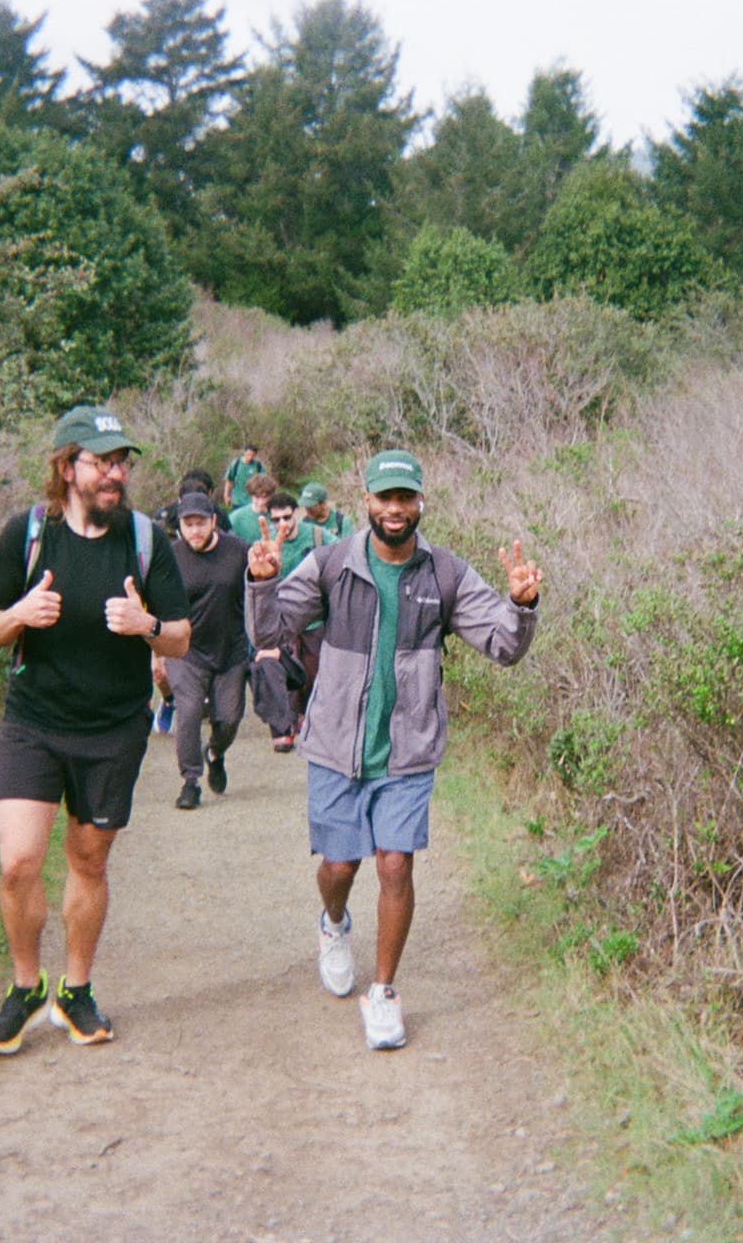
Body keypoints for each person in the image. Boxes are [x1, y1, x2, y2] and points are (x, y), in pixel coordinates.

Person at [248, 449, 542, 1050]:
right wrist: (262, 583)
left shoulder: (446, 575)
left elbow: (504, 646)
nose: (395, 509)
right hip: (336, 745)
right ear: (367, 502)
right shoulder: (331, 564)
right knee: (340, 866)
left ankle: (382, 992)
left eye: (405, 497)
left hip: (407, 750)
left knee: (394, 865)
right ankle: (334, 922)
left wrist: (522, 605)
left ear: (420, 502)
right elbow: (270, 633)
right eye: (385, 498)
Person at [0, 405, 192, 1054]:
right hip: (34, 721)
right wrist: (20, 613)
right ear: (68, 468)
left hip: (113, 728)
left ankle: (75, 991)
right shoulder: (26, 534)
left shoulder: (146, 541)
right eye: (102, 462)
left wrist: (146, 626)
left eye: (121, 462)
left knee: (88, 861)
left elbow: (181, 638)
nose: (115, 473)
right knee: (18, 864)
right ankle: (25, 988)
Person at [152, 490, 251, 810]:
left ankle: (215, 753)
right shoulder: (171, 557)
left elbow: (259, 588)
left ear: (213, 522)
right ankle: (190, 781)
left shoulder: (238, 551)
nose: (194, 531)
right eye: (187, 524)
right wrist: (157, 653)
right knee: (189, 712)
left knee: (230, 717)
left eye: (200, 523)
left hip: (231, 648)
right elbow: (158, 608)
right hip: (186, 651)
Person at [248, 491, 323, 753]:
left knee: (311, 674)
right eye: (276, 519)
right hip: (281, 623)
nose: (282, 524)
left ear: (296, 514)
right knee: (278, 671)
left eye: (287, 517)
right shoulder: (264, 545)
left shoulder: (319, 537)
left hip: (313, 621)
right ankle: (285, 727)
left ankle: (305, 717)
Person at [228, 471, 278, 542]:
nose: (261, 502)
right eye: (257, 497)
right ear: (251, 495)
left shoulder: (280, 516)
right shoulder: (236, 518)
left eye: (265, 497)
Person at [221, 443, 264, 509]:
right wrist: (226, 496)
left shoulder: (258, 465)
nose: (250, 457)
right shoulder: (236, 464)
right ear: (244, 452)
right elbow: (229, 480)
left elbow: (263, 482)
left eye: (253, 455)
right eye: (249, 454)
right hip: (237, 500)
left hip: (252, 501)